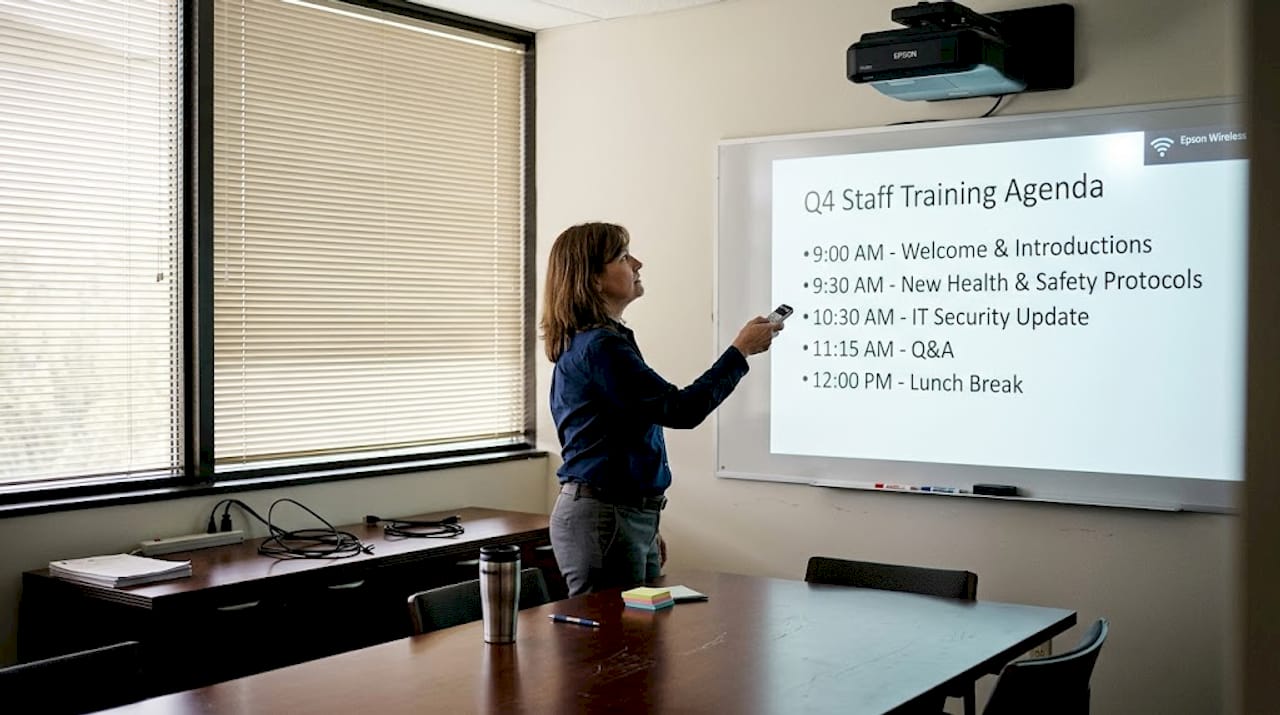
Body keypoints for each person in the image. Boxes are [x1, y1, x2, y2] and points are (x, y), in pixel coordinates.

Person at [540, 221, 780, 596]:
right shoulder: (601, 348)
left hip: (624, 514)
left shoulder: (601, 342)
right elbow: (680, 410)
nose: (637, 263)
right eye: (623, 257)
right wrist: (740, 351)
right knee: (616, 633)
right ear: (594, 279)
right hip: (608, 517)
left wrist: (645, 523)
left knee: (641, 630)